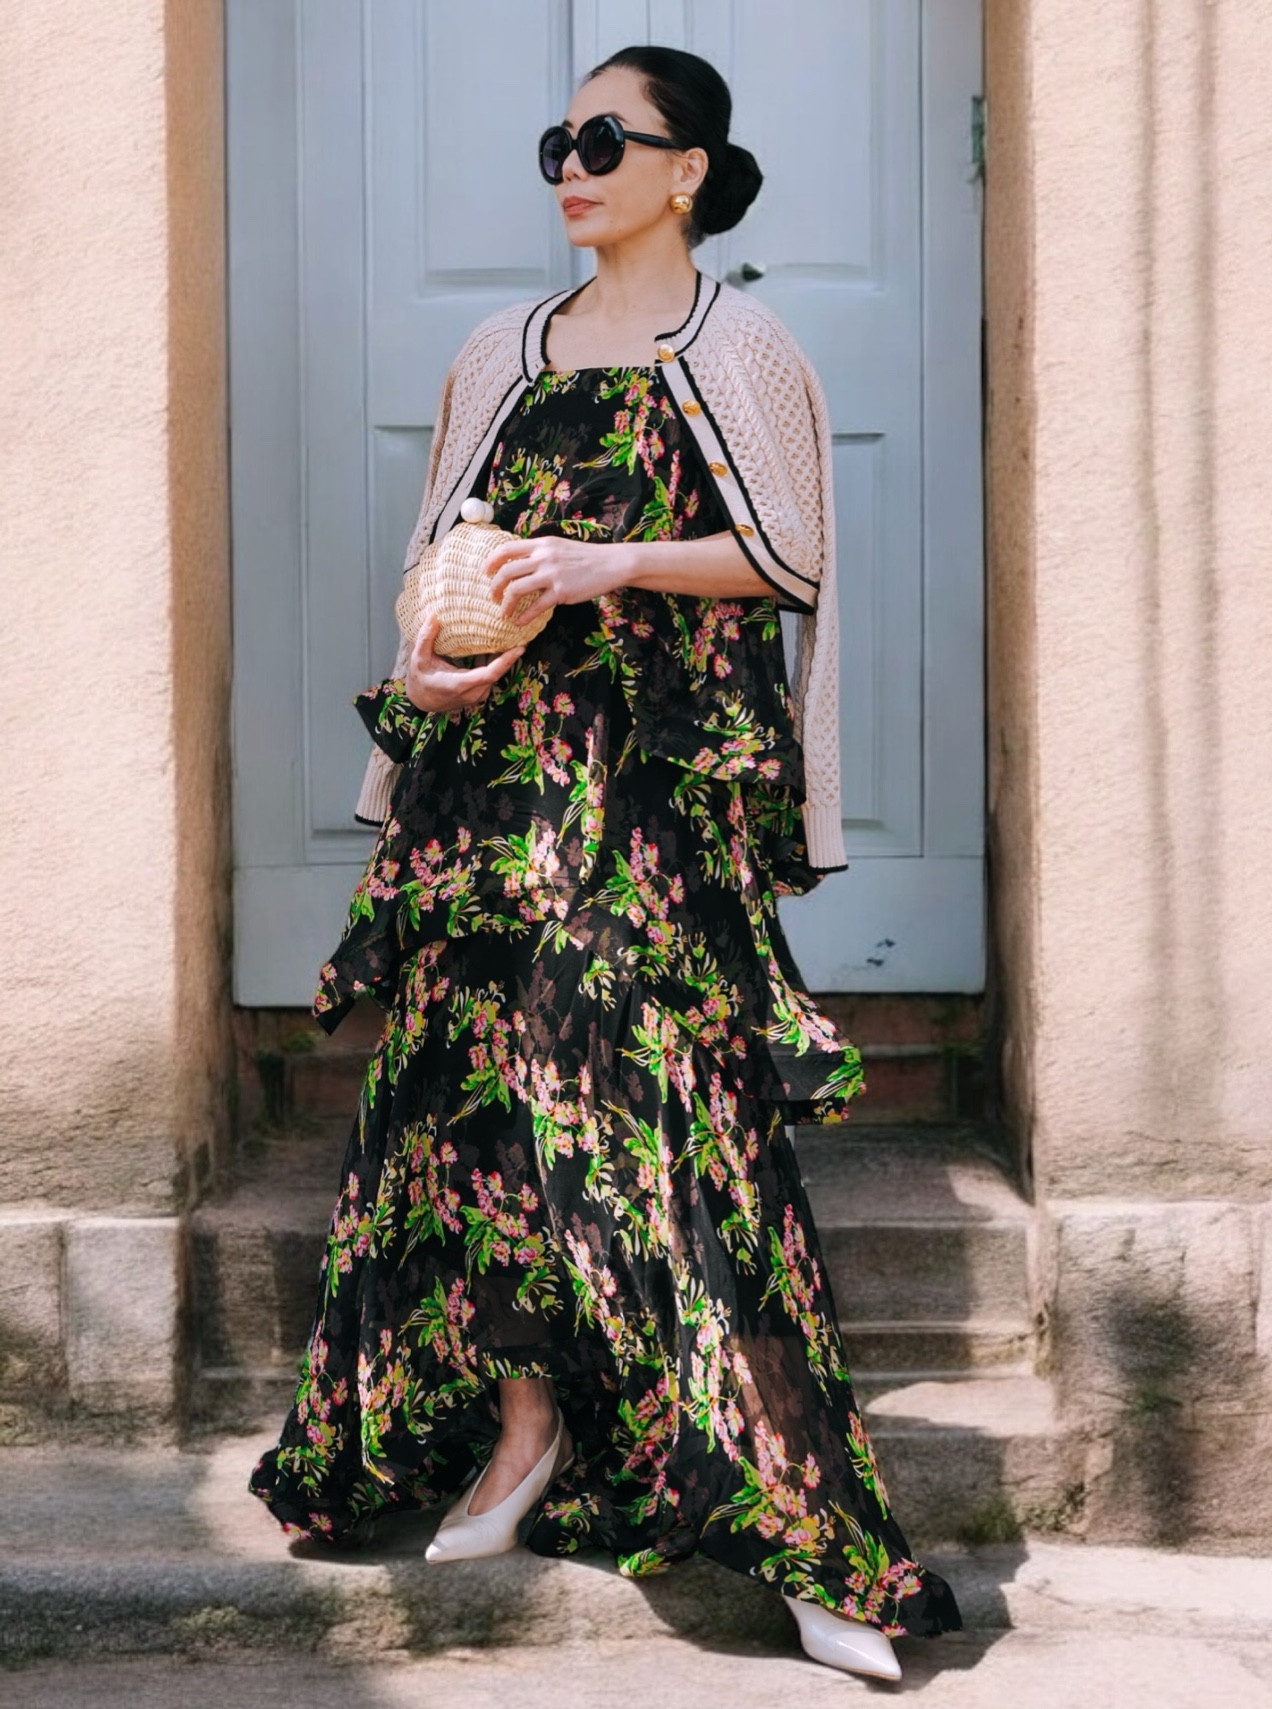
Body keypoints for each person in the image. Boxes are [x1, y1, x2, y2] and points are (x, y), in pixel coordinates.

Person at [248, 42, 962, 1682]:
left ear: (686, 168)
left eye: (602, 140)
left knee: (674, 1138)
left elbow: (783, 557)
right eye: (553, 141)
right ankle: (522, 1433)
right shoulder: (500, 346)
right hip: (491, 801)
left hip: (644, 812)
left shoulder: (745, 342)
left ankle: (803, 1531)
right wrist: (429, 655)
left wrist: (601, 561)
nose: (568, 165)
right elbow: (437, 557)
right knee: (486, 1120)